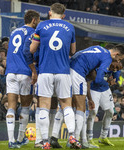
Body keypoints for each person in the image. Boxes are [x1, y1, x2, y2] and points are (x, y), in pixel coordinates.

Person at [29, 3, 79, 149]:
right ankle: (72, 136)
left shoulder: (41, 26)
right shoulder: (70, 27)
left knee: (43, 105)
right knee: (66, 105)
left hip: (45, 71)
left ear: (49, 12)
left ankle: (44, 142)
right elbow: (73, 51)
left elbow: (32, 49)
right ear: (63, 15)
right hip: (63, 71)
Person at [70, 43, 124, 147]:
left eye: (120, 61)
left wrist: (115, 74)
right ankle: (88, 139)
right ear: (115, 54)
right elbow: (92, 78)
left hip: (104, 89)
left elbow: (115, 80)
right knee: (92, 112)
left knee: (110, 111)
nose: (118, 62)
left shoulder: (115, 64)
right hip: (93, 88)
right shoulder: (104, 59)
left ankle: (103, 137)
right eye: (118, 59)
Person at [5, 10, 40, 149]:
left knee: (11, 107)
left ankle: (11, 140)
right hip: (24, 72)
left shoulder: (14, 32)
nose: (38, 24)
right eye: (37, 21)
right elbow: (27, 52)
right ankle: (20, 139)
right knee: (25, 107)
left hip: (10, 72)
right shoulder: (32, 33)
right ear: (33, 21)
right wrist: (33, 70)